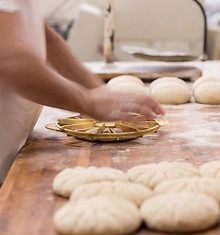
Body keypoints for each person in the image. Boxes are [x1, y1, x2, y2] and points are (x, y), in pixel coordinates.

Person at [0, 1, 165, 182]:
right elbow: (9, 59)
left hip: (14, 153)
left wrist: (98, 91)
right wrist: (89, 102)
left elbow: (43, 36)